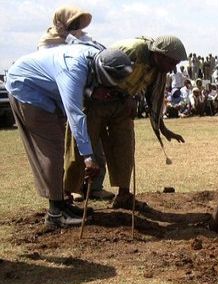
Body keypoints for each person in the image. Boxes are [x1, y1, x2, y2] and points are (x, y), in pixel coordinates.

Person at [5, 43, 133, 227]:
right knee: (52, 151)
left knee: (56, 147)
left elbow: (83, 88)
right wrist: (88, 157)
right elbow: (75, 114)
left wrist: (92, 91)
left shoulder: (99, 58)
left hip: (45, 92)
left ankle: (62, 205)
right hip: (26, 89)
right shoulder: (73, 70)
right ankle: (56, 214)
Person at [63, 35, 187, 211]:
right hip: (95, 101)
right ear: (160, 54)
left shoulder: (158, 69)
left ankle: (124, 195)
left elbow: (151, 94)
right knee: (79, 146)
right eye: (171, 63)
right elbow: (93, 70)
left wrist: (161, 126)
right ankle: (66, 196)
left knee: (125, 147)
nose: (173, 68)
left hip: (122, 105)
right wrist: (92, 92)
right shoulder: (132, 51)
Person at [38, 5, 113, 201]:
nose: (77, 25)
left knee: (95, 146)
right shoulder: (48, 44)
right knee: (71, 149)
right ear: (61, 22)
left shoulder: (85, 41)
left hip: (89, 102)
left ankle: (95, 187)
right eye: (73, 21)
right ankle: (71, 188)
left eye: (78, 21)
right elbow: (63, 77)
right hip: (62, 103)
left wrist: (92, 91)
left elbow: (94, 65)